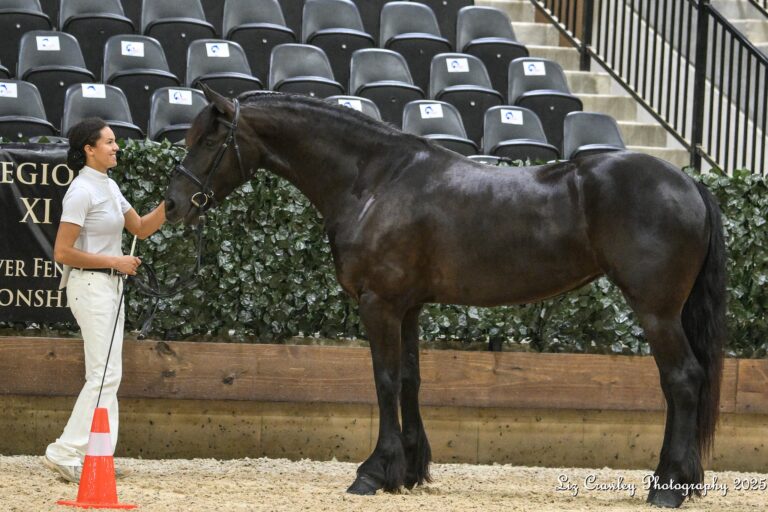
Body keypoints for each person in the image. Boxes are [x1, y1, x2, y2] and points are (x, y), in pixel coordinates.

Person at [44, 117, 166, 483]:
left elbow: (141, 228)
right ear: (89, 149)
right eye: (109, 142)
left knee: (110, 375)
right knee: (103, 374)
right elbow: (62, 252)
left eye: (115, 142)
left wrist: (171, 202)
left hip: (111, 288)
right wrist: (115, 260)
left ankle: (97, 456)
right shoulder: (81, 191)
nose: (116, 147)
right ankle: (64, 451)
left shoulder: (109, 187)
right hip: (90, 286)